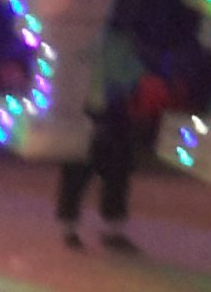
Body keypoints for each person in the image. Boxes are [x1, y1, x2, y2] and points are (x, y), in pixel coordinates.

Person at [54, 26, 154, 253]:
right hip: (92, 109)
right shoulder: (83, 40)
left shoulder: (95, 40)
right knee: (84, 170)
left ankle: (92, 227)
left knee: (109, 170)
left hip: (105, 110)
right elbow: (134, 76)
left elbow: (133, 76)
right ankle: (82, 227)